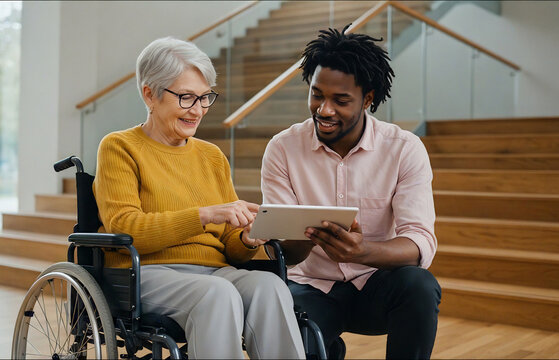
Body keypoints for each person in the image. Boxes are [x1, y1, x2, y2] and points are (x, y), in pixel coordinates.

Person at [92, 37, 305, 359]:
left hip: (214, 271)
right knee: (217, 294)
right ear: (150, 94)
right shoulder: (119, 147)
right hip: (145, 273)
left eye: (205, 97)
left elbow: (231, 248)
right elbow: (126, 227)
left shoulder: (212, 156)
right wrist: (205, 215)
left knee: (269, 287)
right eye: (187, 97)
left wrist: (248, 238)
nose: (198, 110)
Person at [260, 25, 441, 359]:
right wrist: (306, 235)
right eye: (317, 95)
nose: (324, 110)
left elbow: (418, 243)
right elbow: (282, 252)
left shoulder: (404, 149)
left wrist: (362, 252)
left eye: (340, 100)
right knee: (290, 330)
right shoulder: (282, 149)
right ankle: (326, 345)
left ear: (368, 99)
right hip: (309, 286)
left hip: (375, 286)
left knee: (420, 286)